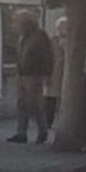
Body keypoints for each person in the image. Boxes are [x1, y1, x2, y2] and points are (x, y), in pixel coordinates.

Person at [11, 11, 54, 144]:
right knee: (21, 104)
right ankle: (21, 133)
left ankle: (42, 130)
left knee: (34, 104)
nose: (15, 25)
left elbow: (47, 56)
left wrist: (47, 74)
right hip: (22, 74)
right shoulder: (22, 37)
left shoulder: (39, 36)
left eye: (17, 21)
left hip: (34, 75)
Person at [45, 17, 68, 130]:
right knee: (51, 99)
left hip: (65, 74)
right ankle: (48, 122)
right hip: (54, 72)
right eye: (63, 27)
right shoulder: (52, 41)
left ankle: (63, 122)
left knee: (64, 100)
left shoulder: (70, 41)